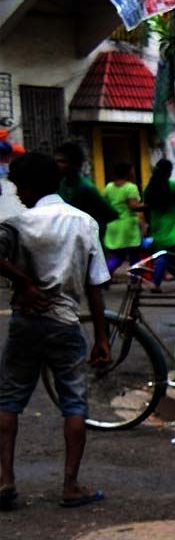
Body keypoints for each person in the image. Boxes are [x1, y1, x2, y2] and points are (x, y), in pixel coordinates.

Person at [0, 152, 111, 512]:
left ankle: (6, 480)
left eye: (19, 186)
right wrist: (103, 337)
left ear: (31, 186)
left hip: (26, 322)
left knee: (9, 399)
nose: (17, 193)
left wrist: (24, 283)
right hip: (66, 323)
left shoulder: (19, 223)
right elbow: (96, 286)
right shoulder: (84, 222)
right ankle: (70, 485)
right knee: (74, 403)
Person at [140, 159, 175, 291]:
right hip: (171, 226)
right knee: (164, 256)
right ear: (169, 172)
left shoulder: (149, 188)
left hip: (156, 225)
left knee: (166, 255)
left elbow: (146, 206)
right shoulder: (173, 186)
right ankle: (156, 283)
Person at [53, 142, 116, 243]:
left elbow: (110, 214)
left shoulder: (86, 187)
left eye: (62, 161)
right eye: (56, 161)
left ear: (75, 164)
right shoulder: (61, 184)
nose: (58, 165)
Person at [101, 161, 144, 277]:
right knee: (134, 256)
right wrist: (148, 205)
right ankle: (134, 282)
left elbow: (105, 203)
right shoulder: (131, 188)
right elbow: (134, 206)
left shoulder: (109, 187)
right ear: (127, 173)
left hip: (113, 225)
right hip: (128, 227)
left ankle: (104, 277)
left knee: (117, 256)